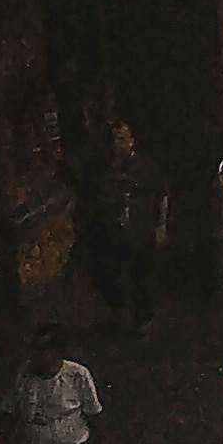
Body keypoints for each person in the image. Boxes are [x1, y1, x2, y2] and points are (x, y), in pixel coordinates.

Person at [74, 123, 168, 335]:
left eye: (121, 139)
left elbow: (161, 195)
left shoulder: (145, 167)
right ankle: (118, 312)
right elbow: (87, 199)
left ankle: (143, 320)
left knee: (142, 276)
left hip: (139, 232)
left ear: (131, 141)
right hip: (108, 233)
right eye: (112, 140)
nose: (116, 145)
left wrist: (160, 226)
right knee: (107, 274)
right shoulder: (98, 170)